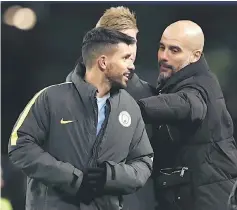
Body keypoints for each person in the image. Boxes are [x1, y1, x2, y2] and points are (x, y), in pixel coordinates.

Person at [8, 27, 153, 210]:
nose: (131, 66)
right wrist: (73, 179)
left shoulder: (130, 108)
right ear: (103, 62)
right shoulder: (51, 98)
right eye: (125, 58)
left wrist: (110, 176)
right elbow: (19, 145)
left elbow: (144, 162)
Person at [130, 20, 237, 210]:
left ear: (195, 56)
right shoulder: (175, 82)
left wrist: (128, 110)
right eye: (162, 47)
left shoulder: (200, 87)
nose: (163, 56)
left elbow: (187, 104)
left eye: (174, 50)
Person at [66, 6, 157, 210]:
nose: (130, 48)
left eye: (133, 41)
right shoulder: (59, 99)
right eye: (125, 40)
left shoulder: (148, 97)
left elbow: (146, 162)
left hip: (135, 200)